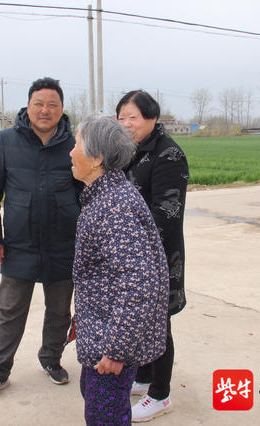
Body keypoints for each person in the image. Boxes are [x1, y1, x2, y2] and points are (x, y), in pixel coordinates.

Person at [0, 77, 80, 399]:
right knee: (10, 311)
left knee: (59, 311)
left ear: (62, 108)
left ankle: (51, 359)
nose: (45, 110)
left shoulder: (76, 143)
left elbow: (88, 189)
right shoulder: (6, 141)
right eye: (39, 103)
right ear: (28, 106)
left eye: (52, 104)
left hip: (64, 243)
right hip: (19, 244)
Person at [70, 115, 170, 425]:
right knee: (96, 399)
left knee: (105, 416)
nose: (71, 152)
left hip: (110, 344)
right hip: (102, 333)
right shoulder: (104, 198)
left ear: (97, 157)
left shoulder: (115, 207)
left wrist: (116, 350)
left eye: (77, 144)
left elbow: (139, 283)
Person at [116, 90, 189, 422]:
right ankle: (144, 378)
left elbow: (167, 212)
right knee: (141, 320)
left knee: (158, 324)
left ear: (152, 118)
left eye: (134, 117)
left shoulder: (168, 154)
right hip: (132, 252)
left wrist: (136, 250)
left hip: (156, 253)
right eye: (122, 117)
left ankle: (160, 395)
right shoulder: (128, 151)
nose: (127, 123)